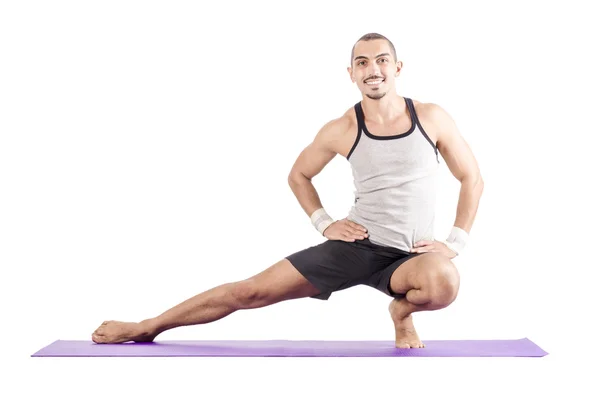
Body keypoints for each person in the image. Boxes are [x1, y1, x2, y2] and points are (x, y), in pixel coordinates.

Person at [91, 32, 484, 348]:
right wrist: (324, 222)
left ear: (397, 67)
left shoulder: (432, 118)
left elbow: (472, 178)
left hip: (411, 257)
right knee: (250, 292)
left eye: (381, 60)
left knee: (444, 282)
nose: (373, 69)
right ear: (351, 73)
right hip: (355, 246)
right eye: (362, 63)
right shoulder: (342, 129)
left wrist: (456, 242)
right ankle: (147, 326)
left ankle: (401, 313)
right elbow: (299, 175)